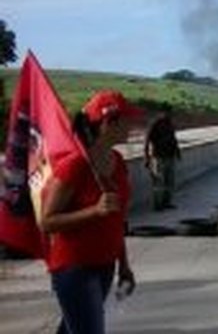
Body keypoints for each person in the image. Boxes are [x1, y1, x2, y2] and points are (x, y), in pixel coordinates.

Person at [40, 90, 142, 334]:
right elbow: (47, 221)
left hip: (105, 264)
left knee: (74, 327)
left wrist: (124, 264)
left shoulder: (117, 161)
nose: (133, 125)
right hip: (75, 267)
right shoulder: (75, 165)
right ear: (109, 123)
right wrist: (94, 211)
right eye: (127, 120)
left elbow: (117, 219)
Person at [143, 108, 181, 211]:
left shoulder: (169, 124)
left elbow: (174, 139)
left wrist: (178, 152)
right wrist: (146, 158)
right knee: (159, 182)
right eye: (166, 113)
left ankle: (166, 202)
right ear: (161, 112)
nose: (168, 115)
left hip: (170, 156)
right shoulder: (154, 124)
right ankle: (157, 205)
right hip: (158, 157)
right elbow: (146, 141)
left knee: (170, 181)